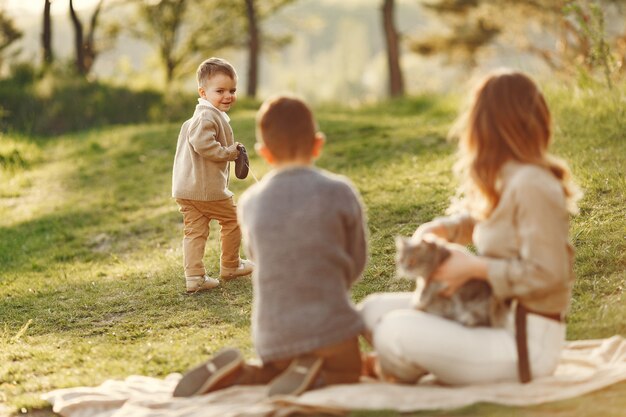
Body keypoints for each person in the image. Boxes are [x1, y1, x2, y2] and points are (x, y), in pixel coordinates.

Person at [359, 70, 581, 385]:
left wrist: (475, 268)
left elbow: (549, 274)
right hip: (487, 317)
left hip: (523, 343)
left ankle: (384, 367)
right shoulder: (508, 177)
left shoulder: (533, 184)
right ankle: (406, 362)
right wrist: (443, 229)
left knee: (393, 330)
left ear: (486, 126)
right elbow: (486, 221)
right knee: (372, 311)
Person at [172, 95, 368, 397]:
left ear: (265, 153)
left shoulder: (251, 202)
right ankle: (315, 373)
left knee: (272, 371)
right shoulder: (340, 192)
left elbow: (262, 256)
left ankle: (242, 373)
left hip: (274, 337)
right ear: (318, 144)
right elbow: (356, 262)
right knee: (349, 369)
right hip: (330, 329)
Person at [172, 57, 253, 293]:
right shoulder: (207, 116)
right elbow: (202, 144)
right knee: (234, 219)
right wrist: (227, 153)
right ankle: (231, 265)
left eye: (232, 90)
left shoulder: (201, 115)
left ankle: (194, 277)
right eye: (220, 90)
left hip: (187, 190)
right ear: (203, 92)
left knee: (195, 232)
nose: (228, 95)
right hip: (207, 190)